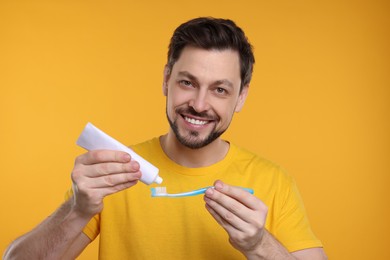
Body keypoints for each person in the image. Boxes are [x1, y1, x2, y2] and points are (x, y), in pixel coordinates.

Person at [4, 17, 327, 259]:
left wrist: (259, 244)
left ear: (240, 97)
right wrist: (78, 209)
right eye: (188, 82)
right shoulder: (115, 172)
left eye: (219, 89)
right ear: (166, 79)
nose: (200, 104)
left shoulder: (274, 181)